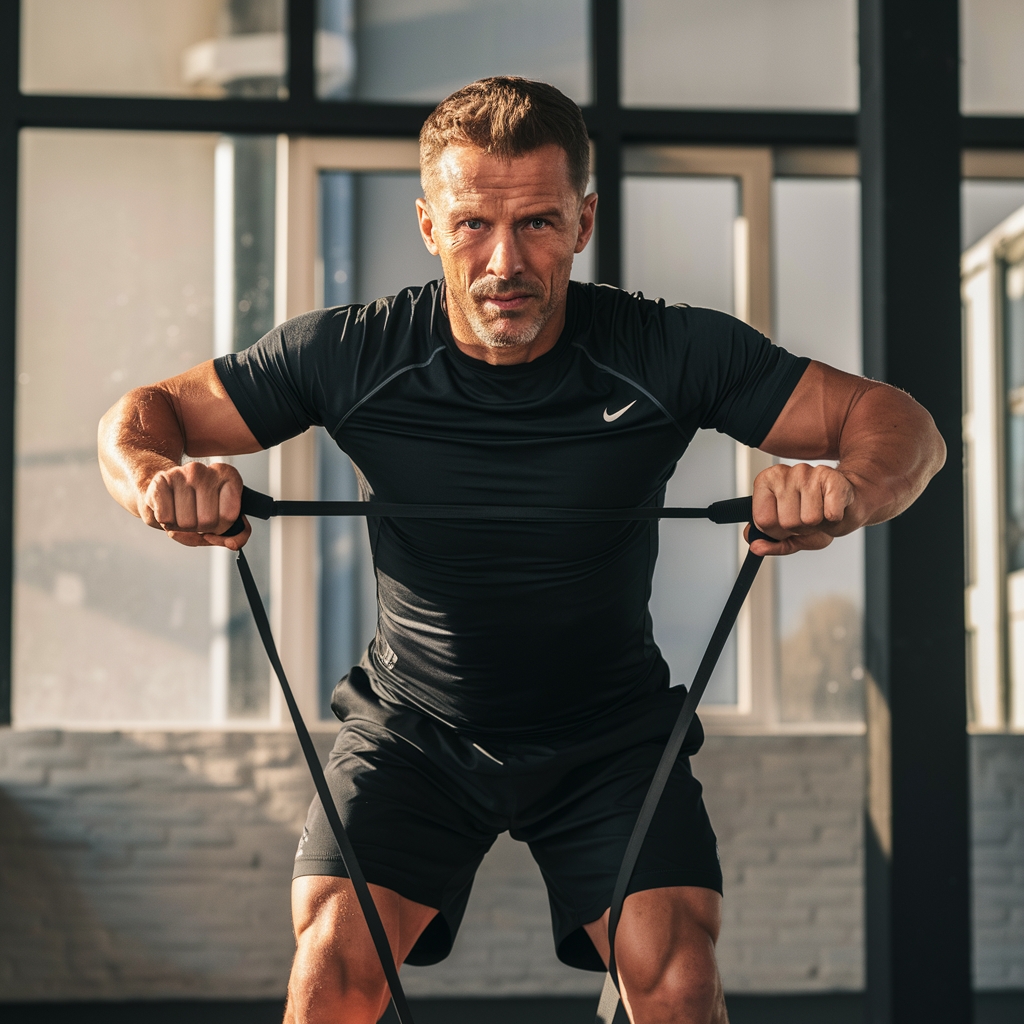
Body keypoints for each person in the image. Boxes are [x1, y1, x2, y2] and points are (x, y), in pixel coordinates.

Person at [98, 77, 945, 1024]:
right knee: (332, 969)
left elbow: (896, 423)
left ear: (584, 221)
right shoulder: (355, 354)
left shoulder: (666, 350)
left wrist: (844, 492)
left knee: (676, 982)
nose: (505, 261)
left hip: (607, 737)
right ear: (427, 225)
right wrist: (159, 482)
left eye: (539, 223)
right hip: (415, 730)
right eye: (471, 227)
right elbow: (146, 418)